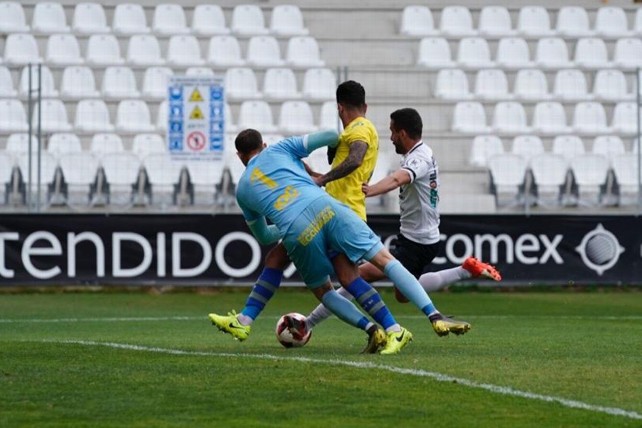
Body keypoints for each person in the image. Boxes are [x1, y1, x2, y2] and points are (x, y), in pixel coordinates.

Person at [209, 128, 412, 355]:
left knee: (323, 289)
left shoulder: (243, 190)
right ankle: (393, 326)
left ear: (239, 156)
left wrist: (288, 223)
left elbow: (264, 236)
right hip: (328, 210)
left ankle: (245, 320)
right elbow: (331, 136)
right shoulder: (281, 148)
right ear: (264, 145)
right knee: (349, 275)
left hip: (299, 231)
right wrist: (325, 158)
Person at [304, 107, 501, 331]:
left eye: (392, 132)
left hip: (417, 242)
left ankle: (308, 323)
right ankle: (466, 269)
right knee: (404, 293)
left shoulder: (420, 158)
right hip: (418, 239)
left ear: (403, 133)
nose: (391, 137)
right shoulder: (419, 153)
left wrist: (370, 190)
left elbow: (398, 179)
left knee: (356, 276)